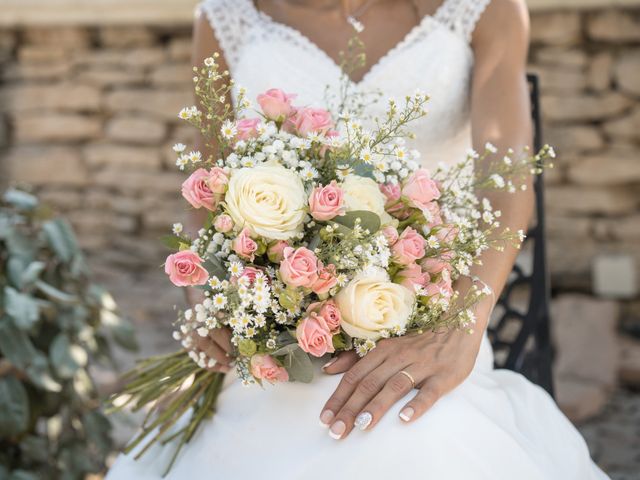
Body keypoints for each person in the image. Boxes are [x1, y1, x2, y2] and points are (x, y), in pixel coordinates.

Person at [107, 1, 609, 478]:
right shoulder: (227, 17)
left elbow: (509, 184)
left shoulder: (484, 9)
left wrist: (459, 328)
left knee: (420, 441)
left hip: (424, 314)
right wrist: (207, 296)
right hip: (275, 330)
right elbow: (208, 186)